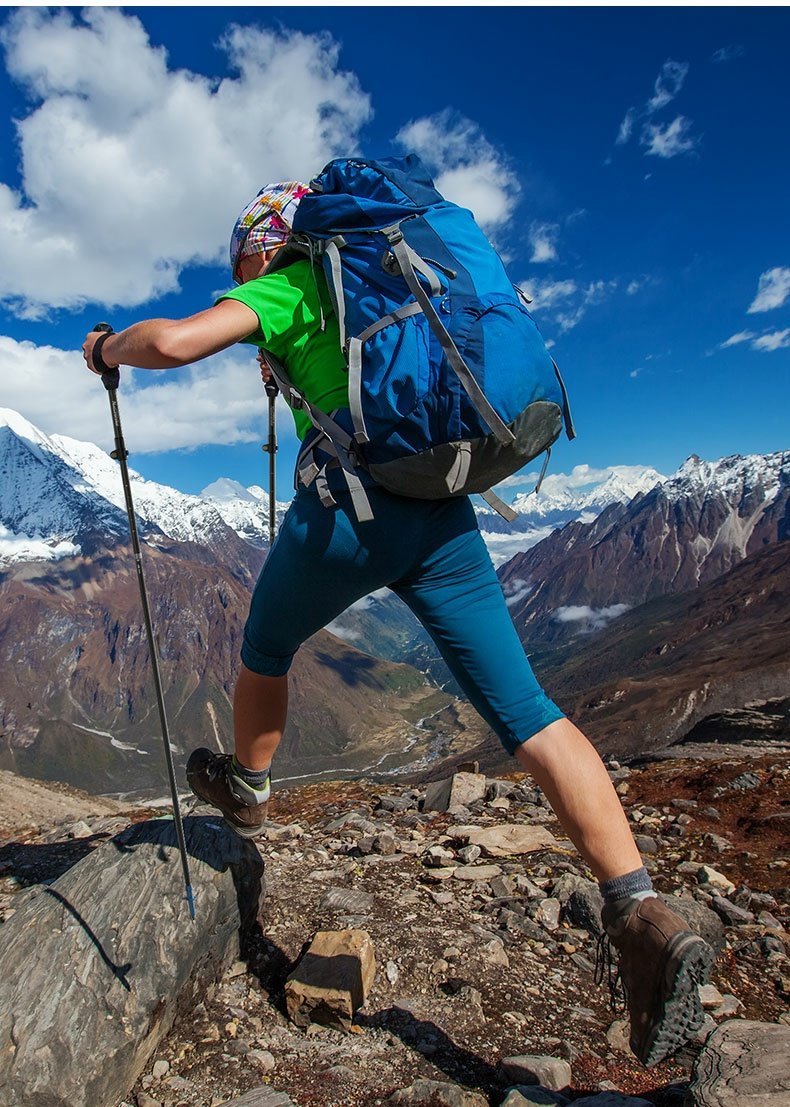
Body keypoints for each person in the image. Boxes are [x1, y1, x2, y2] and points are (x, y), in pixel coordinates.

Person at [82, 179, 714, 1068]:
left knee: (265, 645)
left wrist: (109, 345)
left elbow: (179, 342)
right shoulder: (385, 282)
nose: (240, 276)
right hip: (442, 509)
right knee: (528, 707)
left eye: (241, 261)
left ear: (267, 244)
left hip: (350, 515)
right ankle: (640, 908)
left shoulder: (288, 283)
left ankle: (249, 791)